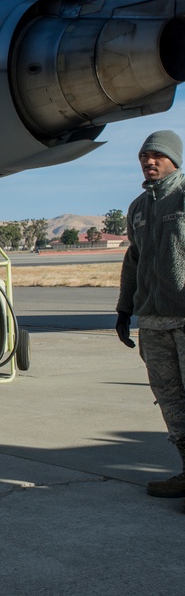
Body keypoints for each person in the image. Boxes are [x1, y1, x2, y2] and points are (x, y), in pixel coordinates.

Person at [115, 129, 185, 499]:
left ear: (174, 158)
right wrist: (125, 308)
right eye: (144, 156)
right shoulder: (139, 208)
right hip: (153, 321)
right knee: (170, 400)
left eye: (156, 155)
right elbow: (134, 260)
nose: (149, 161)